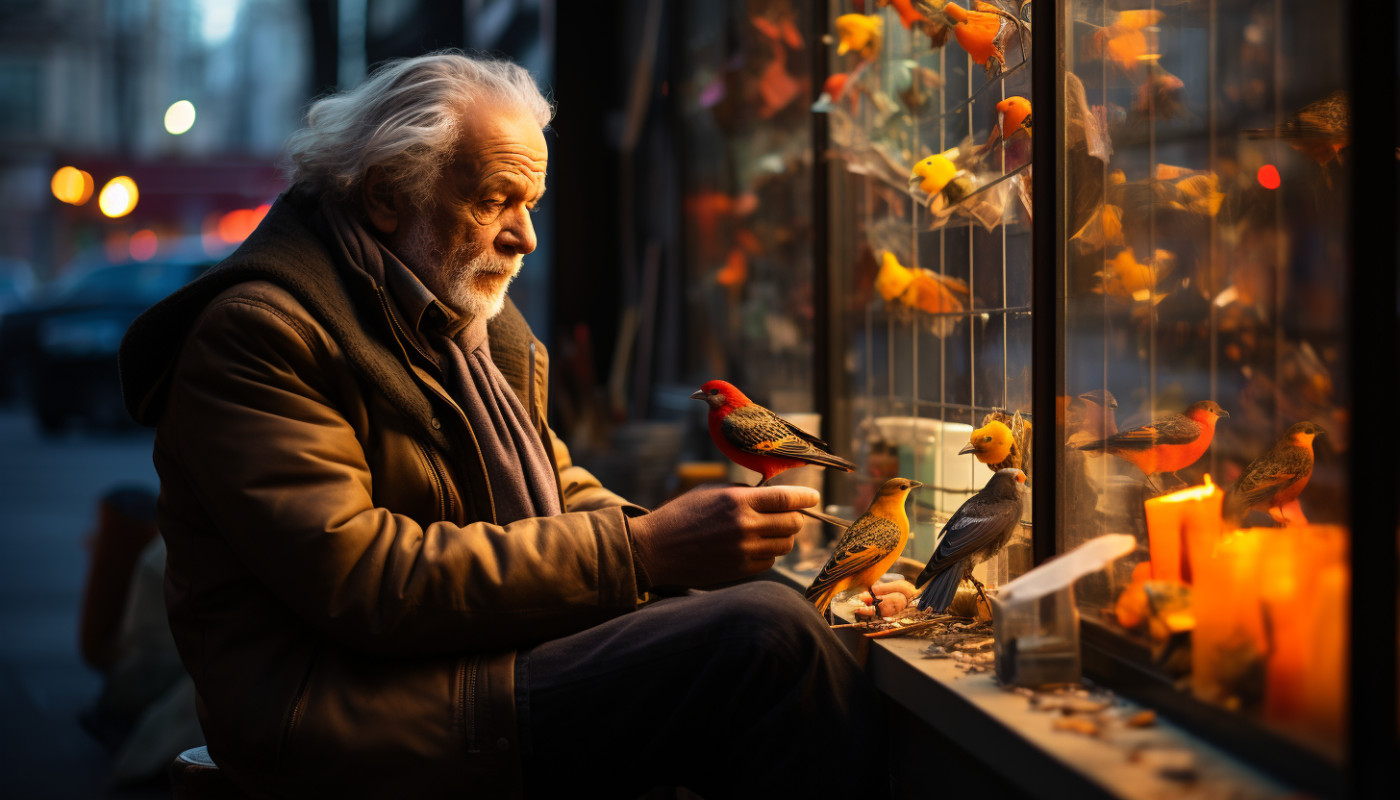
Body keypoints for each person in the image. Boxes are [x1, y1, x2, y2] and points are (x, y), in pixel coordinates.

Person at [118, 51, 882, 798]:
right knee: (763, 639)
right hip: (343, 720)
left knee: (754, 623)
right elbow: (363, 581)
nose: (526, 237)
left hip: (463, 664)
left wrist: (690, 546)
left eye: (532, 205)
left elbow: (560, 488)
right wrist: (643, 550)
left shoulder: (466, 326)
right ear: (386, 195)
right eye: (495, 201)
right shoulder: (261, 332)